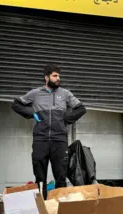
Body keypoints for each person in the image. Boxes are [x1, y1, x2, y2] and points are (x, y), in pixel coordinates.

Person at [12, 64, 86, 198]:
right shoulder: (35, 93)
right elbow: (16, 104)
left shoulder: (65, 94)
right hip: (40, 139)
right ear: (46, 77)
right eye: (55, 76)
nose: (58, 78)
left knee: (61, 176)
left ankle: (60, 208)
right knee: (40, 177)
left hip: (60, 140)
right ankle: (42, 209)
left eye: (59, 76)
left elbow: (81, 108)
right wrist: (32, 114)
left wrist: (65, 119)